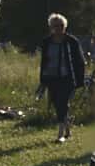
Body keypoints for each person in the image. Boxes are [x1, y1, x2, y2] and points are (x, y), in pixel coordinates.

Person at [37, 13, 87, 144]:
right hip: (52, 77)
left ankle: (60, 134)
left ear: (65, 27)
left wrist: (79, 79)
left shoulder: (72, 42)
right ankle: (68, 130)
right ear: (51, 27)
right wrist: (43, 80)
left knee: (62, 103)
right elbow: (44, 62)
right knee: (57, 103)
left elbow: (80, 61)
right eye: (55, 26)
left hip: (68, 78)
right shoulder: (46, 42)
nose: (58, 28)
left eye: (60, 26)